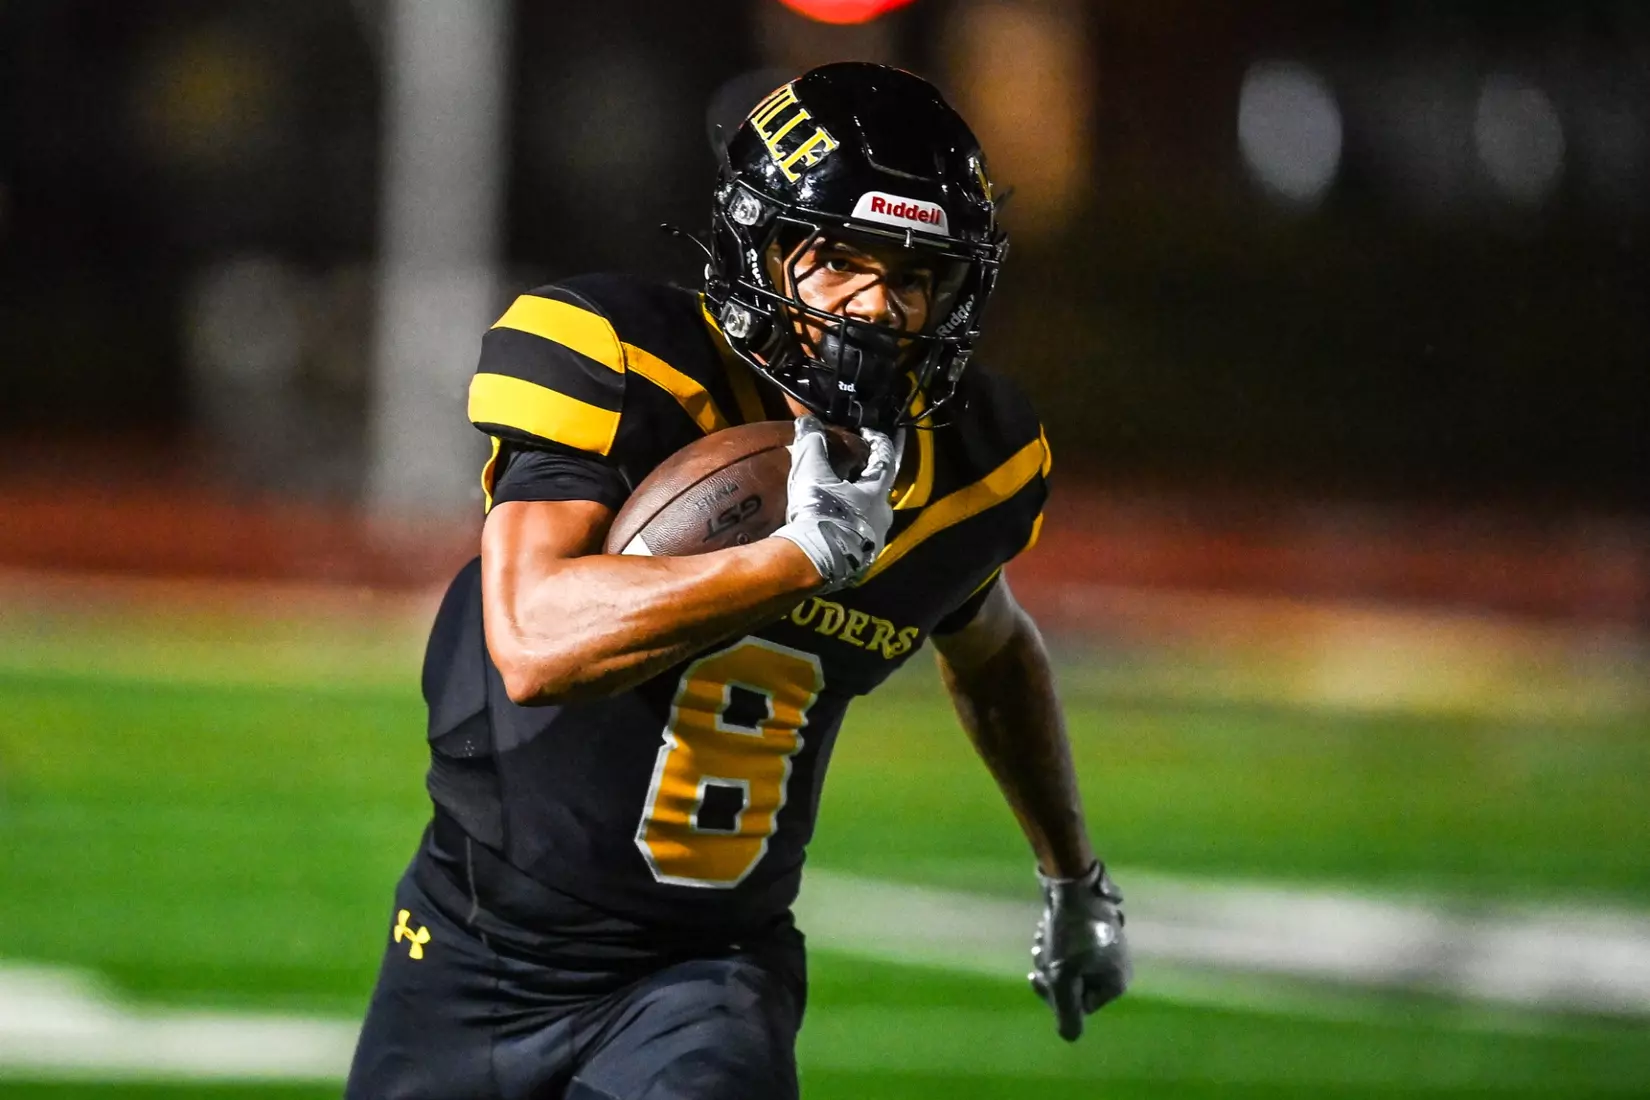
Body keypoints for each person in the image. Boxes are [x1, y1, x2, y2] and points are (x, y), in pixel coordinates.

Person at [346, 61, 1129, 1100]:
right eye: (841, 257)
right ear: (760, 243)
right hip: (473, 941)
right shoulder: (630, 366)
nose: (879, 306)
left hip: (703, 975)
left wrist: (1072, 873)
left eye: (914, 272)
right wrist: (794, 559)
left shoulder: (972, 463)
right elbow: (534, 640)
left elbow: (991, 646)